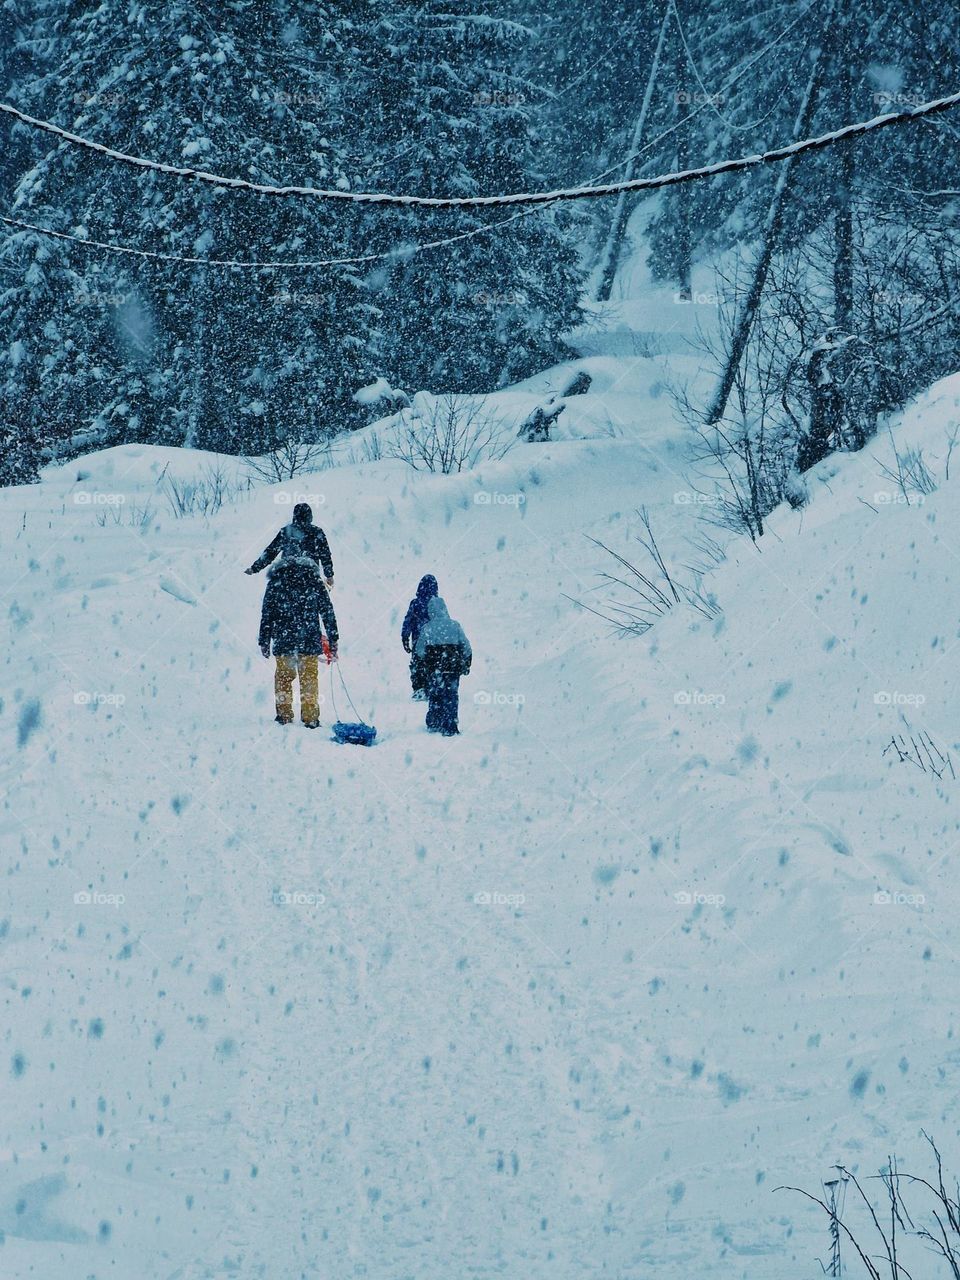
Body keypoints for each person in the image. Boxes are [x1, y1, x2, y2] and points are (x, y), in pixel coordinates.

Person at [258, 556, 338, 728]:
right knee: (309, 679)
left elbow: (267, 613)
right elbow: (327, 610)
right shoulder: (314, 580)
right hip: (308, 640)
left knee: (283, 679)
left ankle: (284, 715)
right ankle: (310, 718)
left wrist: (264, 640)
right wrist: (333, 637)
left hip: (283, 640)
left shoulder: (275, 581)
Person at [414, 596, 471, 736]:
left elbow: (419, 650)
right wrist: (466, 661)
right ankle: (450, 724)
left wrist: (426, 660)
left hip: (435, 669)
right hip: (453, 668)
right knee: (451, 695)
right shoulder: (455, 625)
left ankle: (434, 722)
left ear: (430, 611)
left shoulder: (427, 628)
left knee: (436, 694)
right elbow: (466, 647)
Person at [245, 502, 334, 588]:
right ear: (310, 517)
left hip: (287, 576)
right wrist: (329, 575)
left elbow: (271, 552)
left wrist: (255, 568)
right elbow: (325, 555)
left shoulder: (286, 532)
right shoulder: (317, 532)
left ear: (294, 516)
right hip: (310, 576)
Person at [401, 574, 438, 700]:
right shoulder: (437, 604)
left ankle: (419, 688)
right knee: (433, 664)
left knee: (418, 665)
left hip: (418, 641)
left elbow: (408, 621)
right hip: (434, 642)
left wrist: (405, 637)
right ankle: (431, 687)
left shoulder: (415, 603)